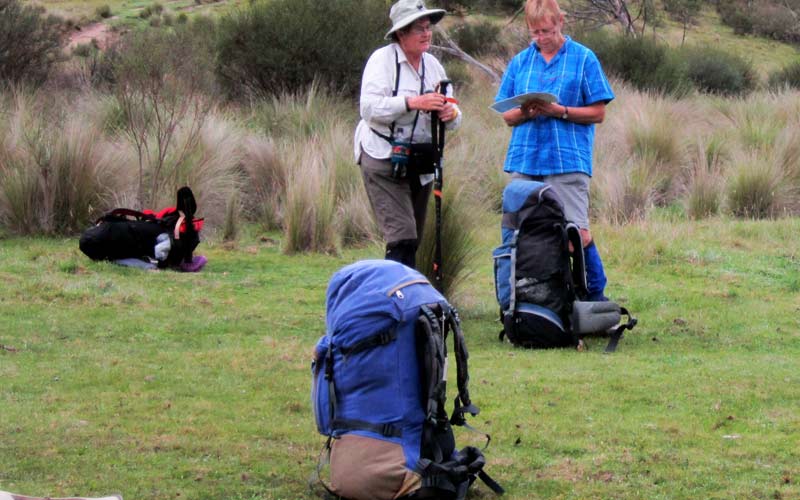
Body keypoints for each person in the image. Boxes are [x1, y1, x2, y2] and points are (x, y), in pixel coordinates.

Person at [495, 0, 614, 301]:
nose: (541, 38)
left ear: (561, 21)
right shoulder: (520, 62)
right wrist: (528, 112)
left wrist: (558, 111)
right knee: (521, 233)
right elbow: (507, 115)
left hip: (567, 159)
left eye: (546, 30)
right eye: (534, 32)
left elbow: (598, 112)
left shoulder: (584, 58)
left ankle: (594, 299)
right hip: (525, 157)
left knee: (577, 233)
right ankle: (529, 301)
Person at [354, 0, 462, 270]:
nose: (426, 34)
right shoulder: (382, 61)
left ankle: (406, 299)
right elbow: (368, 109)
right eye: (418, 29)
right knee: (402, 237)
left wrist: (451, 115)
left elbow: (453, 112)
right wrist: (412, 102)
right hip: (382, 157)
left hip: (421, 161)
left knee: (413, 239)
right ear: (401, 33)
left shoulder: (433, 66)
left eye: (428, 28)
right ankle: (396, 302)